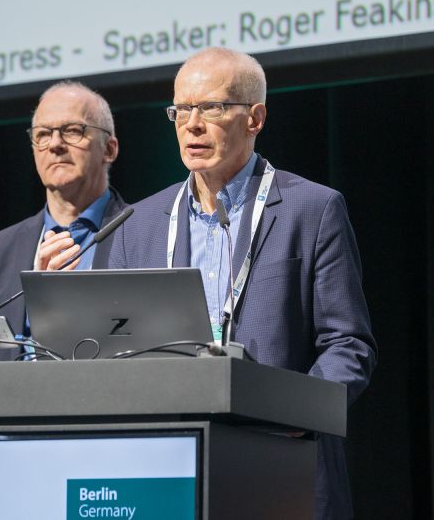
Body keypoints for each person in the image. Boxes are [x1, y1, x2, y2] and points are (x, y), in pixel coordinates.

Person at [107, 47, 377, 519]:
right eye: (181, 110)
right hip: (169, 468)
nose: (192, 124)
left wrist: (294, 412)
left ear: (255, 118)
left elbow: (348, 345)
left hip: (282, 463)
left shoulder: (313, 210)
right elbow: (117, 346)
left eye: (211, 108)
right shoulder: (139, 223)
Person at [0, 81, 127, 358]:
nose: (55, 144)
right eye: (43, 134)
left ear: (109, 149)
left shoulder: (141, 232)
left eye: (72, 131)